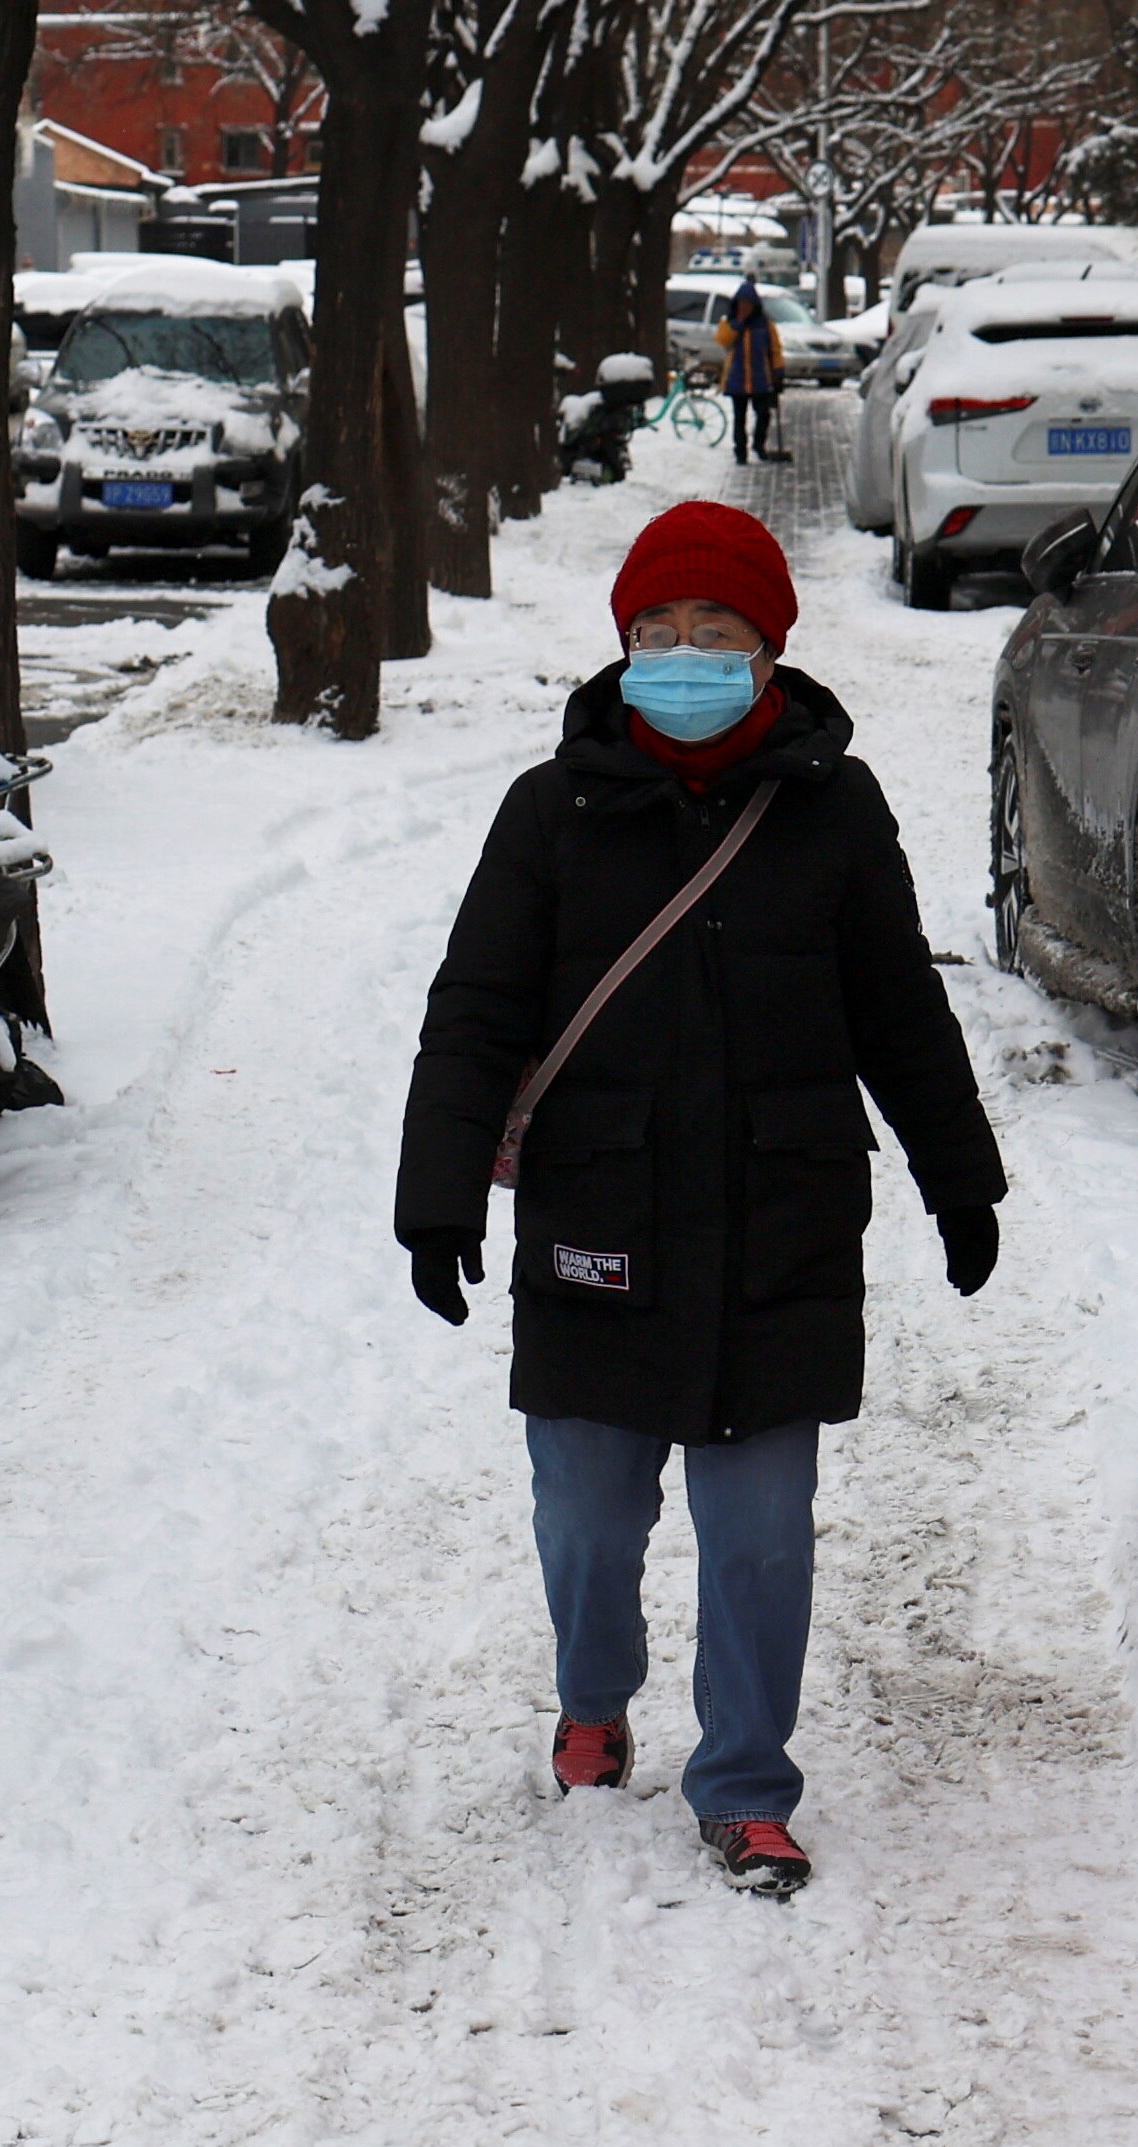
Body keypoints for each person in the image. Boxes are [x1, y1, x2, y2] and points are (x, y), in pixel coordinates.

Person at [397, 501, 1004, 1898]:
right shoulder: (551, 812)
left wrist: (958, 1182)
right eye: (655, 634)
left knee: (758, 1539)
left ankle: (743, 1784)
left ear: (769, 654)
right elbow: (478, 1011)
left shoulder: (832, 808)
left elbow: (898, 1009)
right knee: (590, 1525)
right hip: (596, 1224)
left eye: (712, 634)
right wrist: (439, 1200)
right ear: (620, 650)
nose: (681, 656)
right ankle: (594, 1698)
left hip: (776, 1231)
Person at [712, 277, 783, 464]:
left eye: (748, 304)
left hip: (760, 378)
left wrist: (778, 372)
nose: (745, 307)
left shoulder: (765, 325)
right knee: (739, 418)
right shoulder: (729, 323)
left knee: (763, 415)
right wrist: (738, 323)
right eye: (742, 304)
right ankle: (740, 451)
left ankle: (759, 445)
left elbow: (775, 350)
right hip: (737, 378)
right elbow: (722, 340)